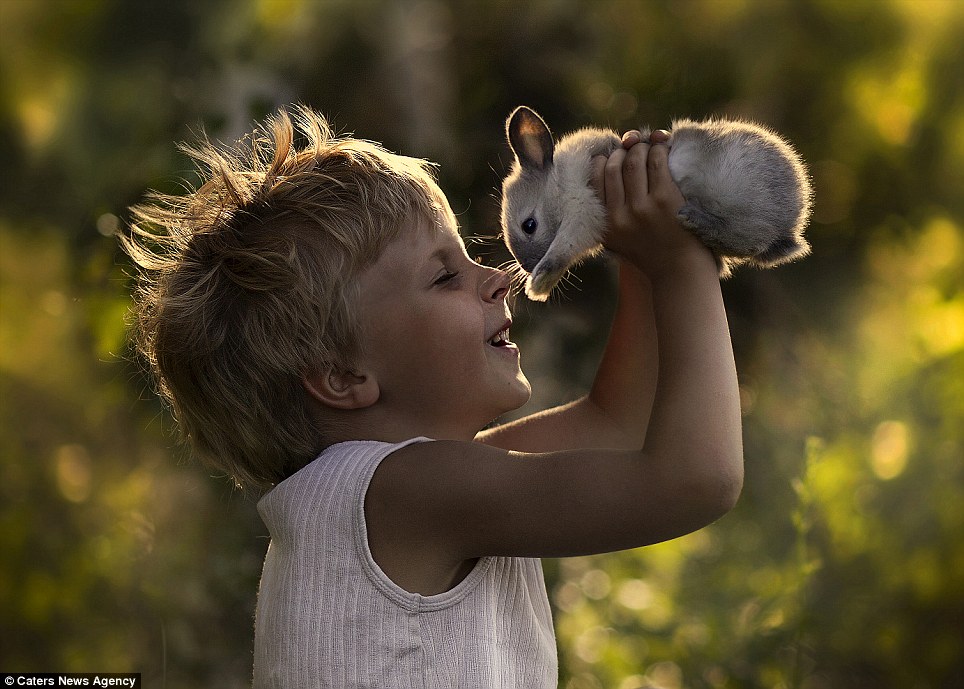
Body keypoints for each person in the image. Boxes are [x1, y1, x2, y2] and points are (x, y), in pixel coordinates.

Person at [122, 104, 743, 688]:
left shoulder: (413, 486)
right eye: (445, 275)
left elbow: (620, 426)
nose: (498, 277)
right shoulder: (405, 493)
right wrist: (681, 267)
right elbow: (695, 481)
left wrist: (631, 244)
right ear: (342, 376)